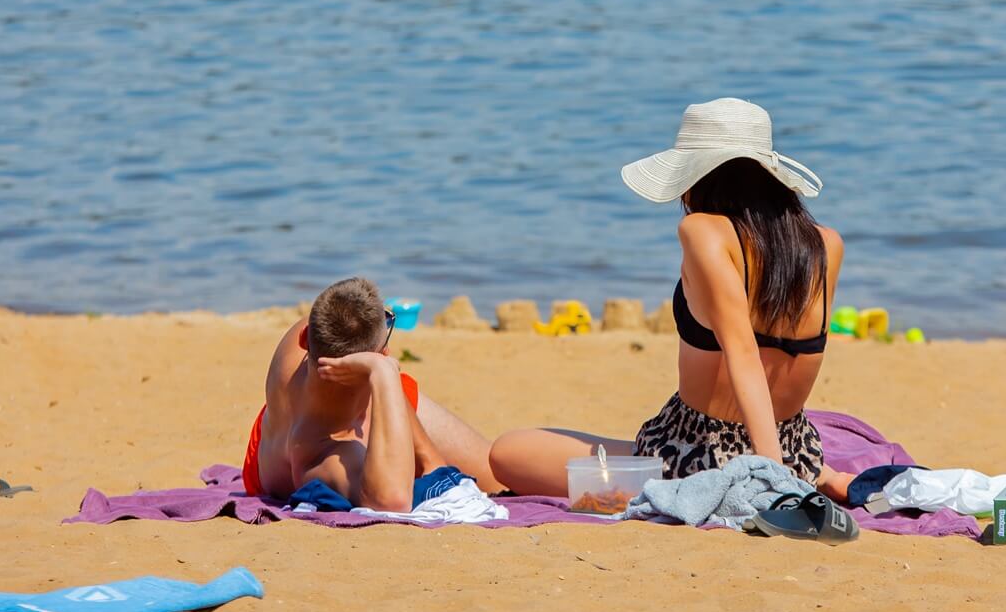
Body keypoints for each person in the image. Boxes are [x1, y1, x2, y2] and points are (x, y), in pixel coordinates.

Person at [488, 97, 855, 501]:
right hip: (799, 451)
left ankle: (740, 481)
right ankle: (821, 476)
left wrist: (773, 482)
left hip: (697, 454)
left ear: (697, 176)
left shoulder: (703, 232)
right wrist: (788, 467)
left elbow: (744, 352)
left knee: (508, 452)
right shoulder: (825, 244)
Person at [244, 277, 501, 510]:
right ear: (380, 356)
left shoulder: (303, 336)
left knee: (496, 464)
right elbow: (393, 500)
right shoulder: (329, 453)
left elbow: (342, 319)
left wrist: (430, 459)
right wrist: (384, 374)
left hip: (269, 443)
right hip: (306, 447)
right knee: (497, 473)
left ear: (305, 338)